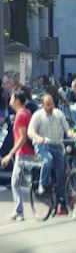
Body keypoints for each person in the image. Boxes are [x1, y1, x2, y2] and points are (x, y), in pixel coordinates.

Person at [5, 89, 32, 220]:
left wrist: (10, 154)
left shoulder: (21, 115)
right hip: (29, 153)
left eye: (11, 98)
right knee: (25, 183)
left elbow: (23, 138)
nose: (10, 100)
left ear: (16, 100)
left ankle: (19, 211)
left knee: (15, 183)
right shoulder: (27, 112)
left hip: (23, 153)